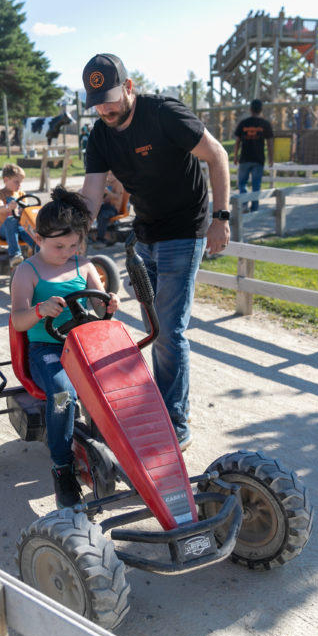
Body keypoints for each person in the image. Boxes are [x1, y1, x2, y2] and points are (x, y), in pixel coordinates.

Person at [79, 53, 230, 451]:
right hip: (145, 231)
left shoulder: (163, 114)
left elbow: (218, 156)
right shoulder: (100, 134)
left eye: (110, 97)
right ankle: (161, 403)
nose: (105, 108)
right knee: (154, 327)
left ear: (129, 87)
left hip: (185, 228)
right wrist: (73, 238)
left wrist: (221, 217)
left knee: (169, 329)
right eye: (97, 101)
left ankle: (176, 423)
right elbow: (92, 192)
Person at [10, 186, 120, 507]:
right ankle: (62, 466)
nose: (67, 251)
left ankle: (119, 447)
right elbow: (18, 320)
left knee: (119, 384)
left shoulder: (83, 266)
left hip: (83, 346)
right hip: (47, 352)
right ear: (38, 238)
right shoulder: (27, 272)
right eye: (59, 245)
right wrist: (40, 310)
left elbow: (101, 309)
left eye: (74, 244)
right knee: (62, 394)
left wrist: (111, 302)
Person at [233, 98, 274, 212]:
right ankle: (255, 208)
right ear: (261, 110)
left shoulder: (243, 123)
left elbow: (237, 141)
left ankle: (244, 205)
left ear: (250, 109)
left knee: (242, 183)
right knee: (256, 184)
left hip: (245, 159)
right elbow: (270, 143)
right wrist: (271, 159)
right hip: (258, 159)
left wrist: (235, 156)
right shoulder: (265, 124)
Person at [0, 163, 36, 267]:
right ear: (6, 180)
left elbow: (27, 211)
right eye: (16, 182)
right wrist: (8, 207)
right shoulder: (0, 193)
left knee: (34, 233)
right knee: (11, 220)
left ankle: (41, 254)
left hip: (20, 228)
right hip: (5, 229)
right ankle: (15, 255)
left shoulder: (21, 194)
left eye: (21, 182)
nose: (19, 185)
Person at [93, 170, 124, 247]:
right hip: (106, 206)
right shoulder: (106, 183)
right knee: (94, 210)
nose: (110, 176)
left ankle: (101, 239)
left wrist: (108, 192)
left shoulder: (118, 183)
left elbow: (117, 197)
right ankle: (90, 233)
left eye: (112, 174)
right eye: (108, 174)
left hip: (114, 208)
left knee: (103, 215)